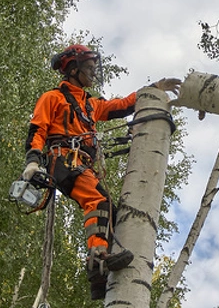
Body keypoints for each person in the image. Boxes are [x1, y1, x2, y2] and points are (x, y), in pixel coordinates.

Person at [21, 44, 180, 300]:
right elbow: (37, 129)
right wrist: (32, 161)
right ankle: (97, 259)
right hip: (62, 160)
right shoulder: (53, 98)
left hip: (80, 163)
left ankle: (100, 278)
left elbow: (121, 105)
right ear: (73, 69)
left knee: (111, 214)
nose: (93, 74)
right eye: (89, 68)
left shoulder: (90, 104)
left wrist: (153, 88)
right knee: (98, 201)